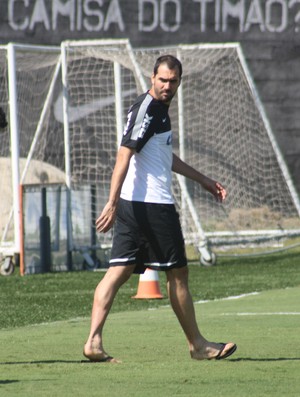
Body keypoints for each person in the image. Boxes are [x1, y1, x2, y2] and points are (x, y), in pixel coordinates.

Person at [83, 55, 237, 363]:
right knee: (178, 273)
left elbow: (165, 156)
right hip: (152, 207)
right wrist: (111, 203)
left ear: (180, 81)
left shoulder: (158, 111)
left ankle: (93, 342)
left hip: (135, 205)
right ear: (152, 77)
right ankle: (197, 344)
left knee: (119, 270)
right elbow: (123, 156)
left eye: (173, 81)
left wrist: (203, 179)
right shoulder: (148, 109)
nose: (167, 86)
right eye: (162, 80)